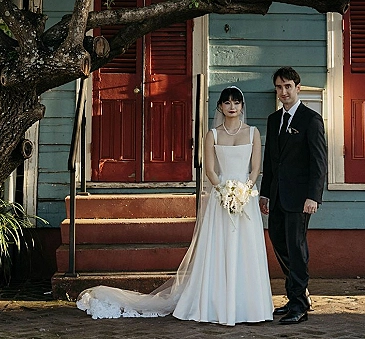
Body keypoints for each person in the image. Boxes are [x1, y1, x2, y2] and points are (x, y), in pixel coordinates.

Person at [77, 86, 273, 326]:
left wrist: (243, 191)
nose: (232, 107)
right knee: (219, 249)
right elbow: (210, 170)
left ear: (242, 106)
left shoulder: (253, 133)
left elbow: (255, 169)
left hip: (245, 200)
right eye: (227, 102)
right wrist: (223, 190)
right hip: (220, 198)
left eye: (236, 102)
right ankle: (215, 304)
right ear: (220, 106)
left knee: (245, 250)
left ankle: (249, 307)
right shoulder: (212, 134)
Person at [259, 66, 327, 325]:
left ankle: (299, 304)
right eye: (279, 87)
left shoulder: (311, 119)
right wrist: (265, 194)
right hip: (276, 196)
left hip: (300, 198)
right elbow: (270, 161)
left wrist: (313, 196)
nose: (283, 91)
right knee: (279, 241)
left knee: (296, 248)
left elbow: (319, 161)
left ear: (298, 88)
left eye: (288, 86)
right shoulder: (274, 120)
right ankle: (298, 294)